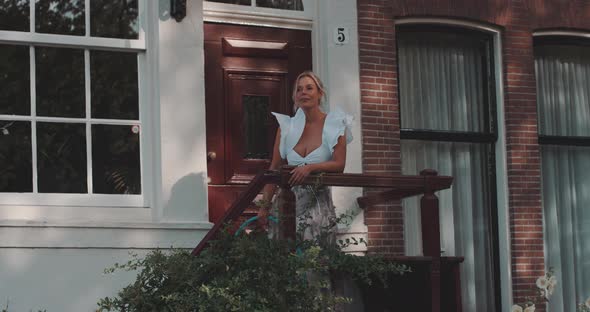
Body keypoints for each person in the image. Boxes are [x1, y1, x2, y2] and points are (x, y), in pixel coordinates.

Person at [257, 70, 353, 244]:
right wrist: (264, 207)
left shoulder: (335, 124)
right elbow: (274, 168)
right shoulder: (286, 128)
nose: (304, 92)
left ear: (319, 94)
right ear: (295, 97)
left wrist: (310, 168)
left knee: (315, 262)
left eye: (309, 88)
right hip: (286, 204)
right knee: (285, 259)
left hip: (318, 205)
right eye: (299, 89)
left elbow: (339, 164)